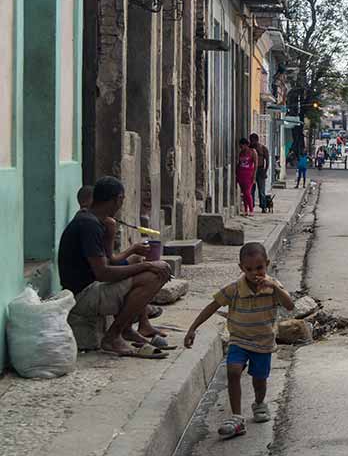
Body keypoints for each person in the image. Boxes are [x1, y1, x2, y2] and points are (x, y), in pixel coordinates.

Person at [183, 242, 294, 439]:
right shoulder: (234, 289)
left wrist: (275, 288)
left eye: (259, 268)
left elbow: (290, 305)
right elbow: (212, 306)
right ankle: (236, 417)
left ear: (267, 264)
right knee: (233, 371)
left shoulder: (273, 287)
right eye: (249, 269)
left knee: (259, 381)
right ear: (241, 268)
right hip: (239, 339)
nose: (254, 273)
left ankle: (259, 403)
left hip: (263, 342)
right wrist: (192, 328)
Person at [58, 176, 172, 358]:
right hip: (83, 296)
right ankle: (112, 336)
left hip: (91, 287)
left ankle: (128, 329)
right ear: (118, 199)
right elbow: (103, 272)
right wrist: (148, 265)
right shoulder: (88, 225)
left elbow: (109, 262)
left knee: (148, 269)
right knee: (154, 276)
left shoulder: (93, 221)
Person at [236, 138, 258, 216]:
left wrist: (254, 176)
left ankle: (251, 209)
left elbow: (255, 165)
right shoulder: (241, 153)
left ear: (246, 145)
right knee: (244, 193)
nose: (241, 147)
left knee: (247, 192)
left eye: (242, 145)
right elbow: (238, 164)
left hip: (249, 175)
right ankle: (246, 209)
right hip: (241, 174)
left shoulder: (253, 152)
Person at [250, 134, 270, 213]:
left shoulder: (263, 148)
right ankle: (251, 205)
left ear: (256, 140)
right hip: (251, 170)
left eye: (252, 140)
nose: (251, 142)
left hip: (260, 169)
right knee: (251, 190)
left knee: (261, 190)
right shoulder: (250, 148)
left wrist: (265, 171)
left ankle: (263, 206)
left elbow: (267, 161)